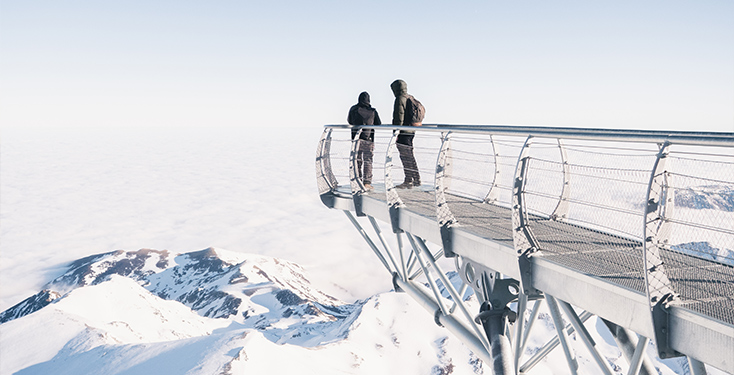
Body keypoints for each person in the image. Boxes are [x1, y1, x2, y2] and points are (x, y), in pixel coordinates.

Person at [347, 91, 381, 191]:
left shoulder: (354, 109)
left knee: (357, 160)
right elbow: (378, 123)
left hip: (356, 139)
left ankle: (358, 180)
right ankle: (367, 183)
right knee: (368, 161)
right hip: (368, 139)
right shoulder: (373, 111)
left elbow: (349, 121)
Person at [391, 79, 421, 188]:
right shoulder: (410, 97)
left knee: (405, 156)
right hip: (411, 131)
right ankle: (416, 179)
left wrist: (396, 133)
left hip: (403, 132)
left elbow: (398, 117)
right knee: (410, 155)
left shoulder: (400, 99)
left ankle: (408, 180)